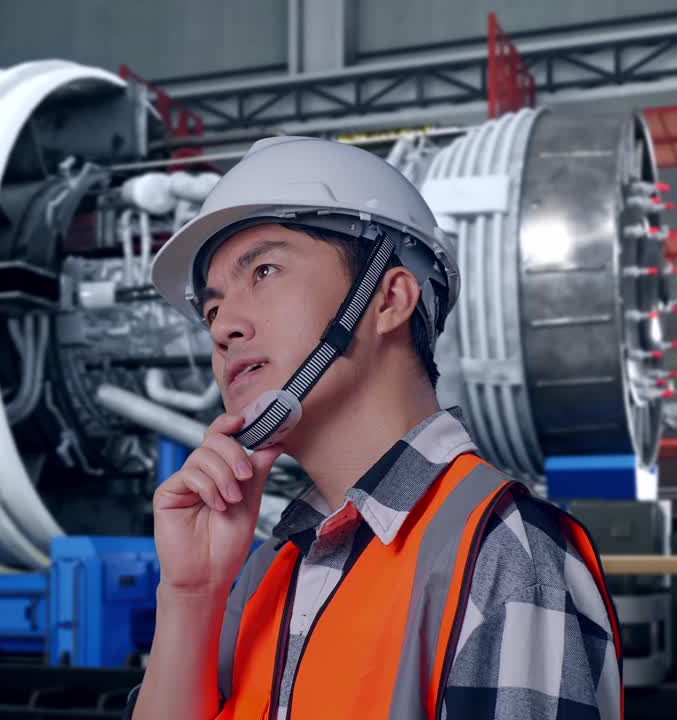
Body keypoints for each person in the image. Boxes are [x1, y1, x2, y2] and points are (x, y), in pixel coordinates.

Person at [126, 137, 623, 720]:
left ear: (388, 299)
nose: (223, 327)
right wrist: (190, 596)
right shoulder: (268, 571)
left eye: (264, 270)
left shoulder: (502, 553)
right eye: (211, 309)